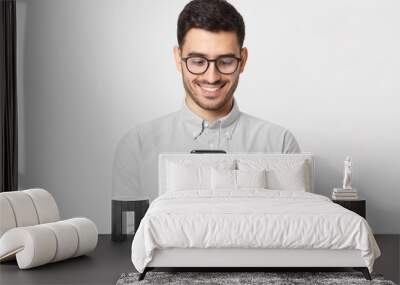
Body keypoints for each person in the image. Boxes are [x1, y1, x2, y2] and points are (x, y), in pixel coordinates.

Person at [112, 0, 301, 201]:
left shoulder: (280, 145)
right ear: (178, 58)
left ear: (243, 60)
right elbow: (128, 232)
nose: (211, 77)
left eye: (226, 62)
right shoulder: (137, 146)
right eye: (198, 61)